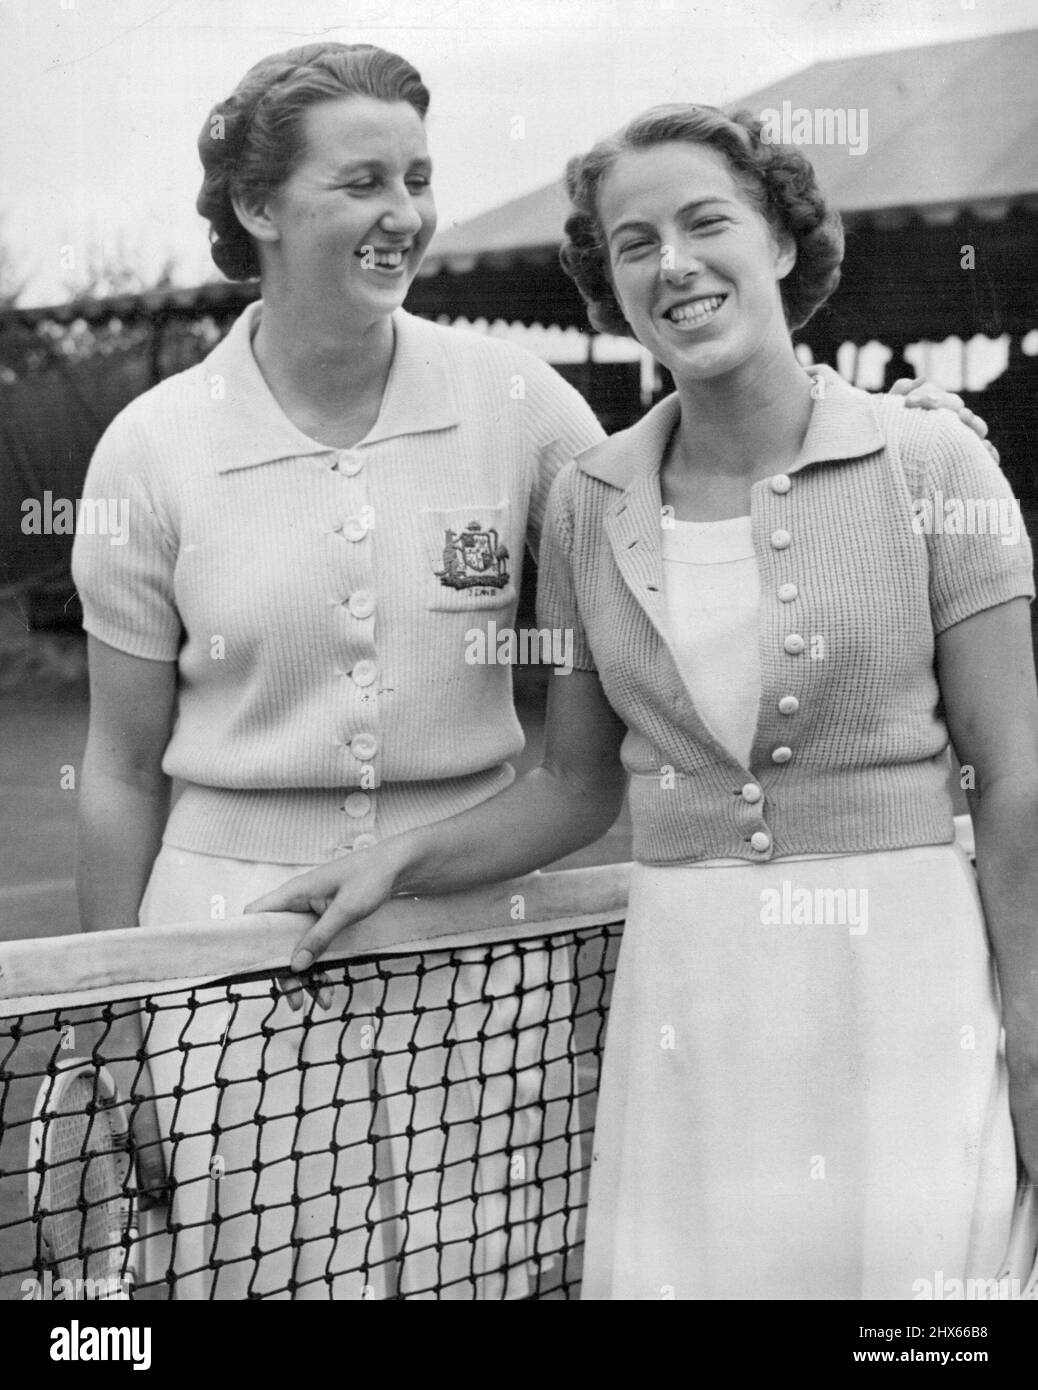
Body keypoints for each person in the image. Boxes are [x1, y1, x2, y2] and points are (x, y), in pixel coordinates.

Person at [252, 103, 1038, 1300]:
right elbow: (573, 786)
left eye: (705, 221)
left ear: (780, 243)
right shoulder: (584, 503)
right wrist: (394, 863)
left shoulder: (936, 465)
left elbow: (1015, 777)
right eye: (633, 241)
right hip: (693, 999)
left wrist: (1032, 1028)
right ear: (609, 282)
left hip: (909, 989)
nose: (673, 263)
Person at [71, 41, 607, 1300]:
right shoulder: (149, 450)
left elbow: (678, 504)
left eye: (418, 177)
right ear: (258, 207)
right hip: (227, 949)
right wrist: (117, 1010)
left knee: (494, 1273)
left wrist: (892, 435)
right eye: (362, 182)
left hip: (472, 933)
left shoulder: (521, 400)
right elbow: (116, 763)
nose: (404, 215)